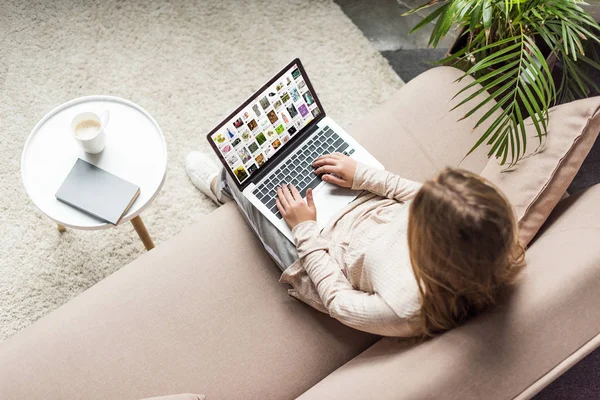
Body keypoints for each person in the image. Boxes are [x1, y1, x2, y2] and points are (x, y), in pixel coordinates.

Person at [185, 151, 525, 337]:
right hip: (364, 207)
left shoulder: (402, 308)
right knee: (308, 151)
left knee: (247, 177)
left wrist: (305, 230)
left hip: (322, 255)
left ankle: (224, 189)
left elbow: (337, 300)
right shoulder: (485, 229)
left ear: (427, 243)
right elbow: (424, 196)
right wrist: (361, 174)